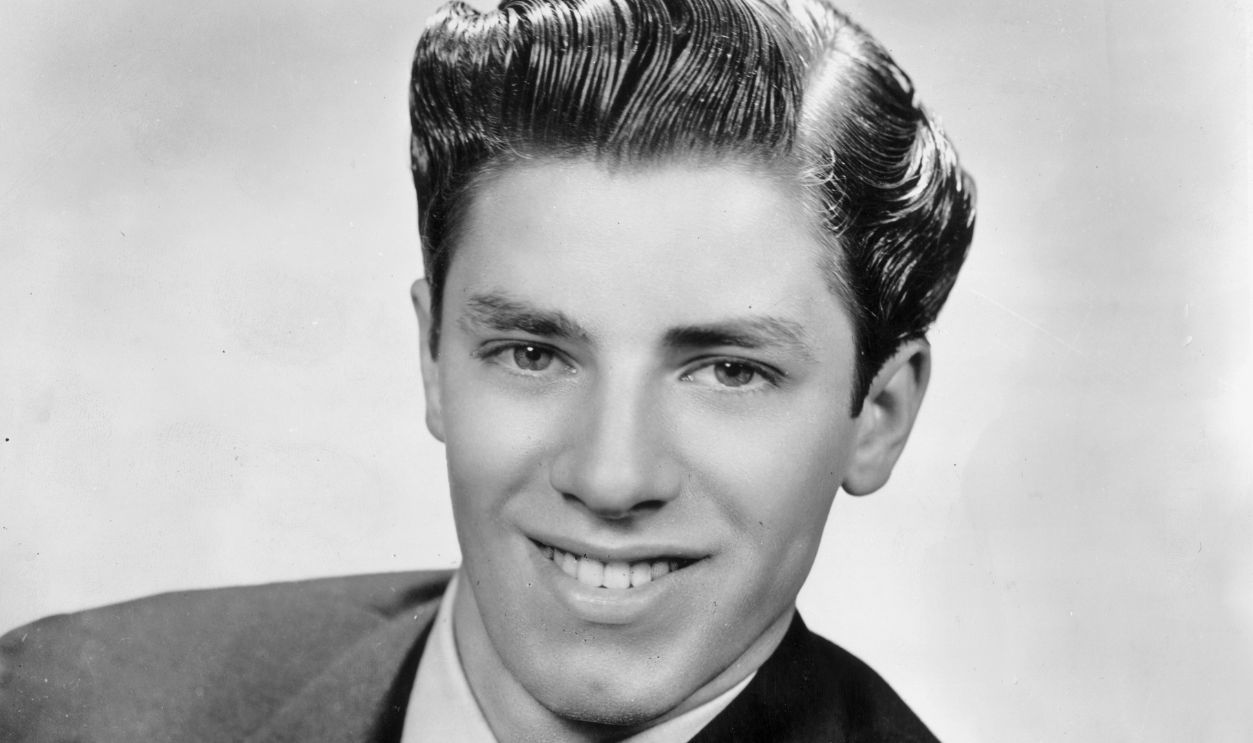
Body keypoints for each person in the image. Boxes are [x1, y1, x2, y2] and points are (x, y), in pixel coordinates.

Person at [0, 0, 974, 740]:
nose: (610, 475)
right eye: (534, 352)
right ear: (432, 358)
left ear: (877, 412)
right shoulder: (64, 704)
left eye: (727, 370)